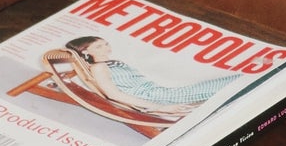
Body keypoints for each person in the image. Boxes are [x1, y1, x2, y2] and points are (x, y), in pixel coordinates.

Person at [40, 34, 239, 123]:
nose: (107, 48)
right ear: (86, 51)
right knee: (234, 83)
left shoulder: (108, 64)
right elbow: (112, 94)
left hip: (165, 93)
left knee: (230, 82)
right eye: (99, 46)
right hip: (162, 98)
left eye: (105, 44)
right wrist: (157, 107)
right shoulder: (99, 67)